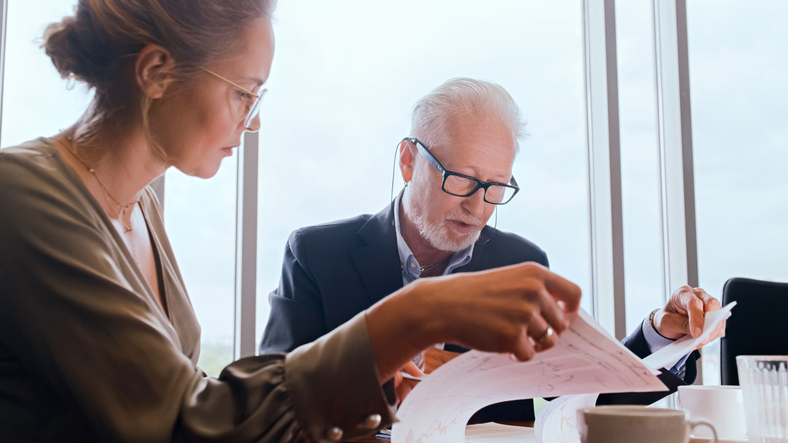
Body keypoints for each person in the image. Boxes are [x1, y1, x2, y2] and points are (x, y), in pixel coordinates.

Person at [0, 2, 586, 442]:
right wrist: (416, 315)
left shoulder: (138, 204)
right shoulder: (21, 194)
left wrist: (365, 382)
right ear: (156, 72)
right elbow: (185, 420)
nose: (252, 123)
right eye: (243, 95)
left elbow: (198, 397)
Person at [259, 78, 726, 421]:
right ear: (408, 161)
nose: (477, 206)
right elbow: (270, 404)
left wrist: (664, 339)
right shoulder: (317, 255)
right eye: (461, 179)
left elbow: (582, 396)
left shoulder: (521, 265)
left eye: (496, 187)